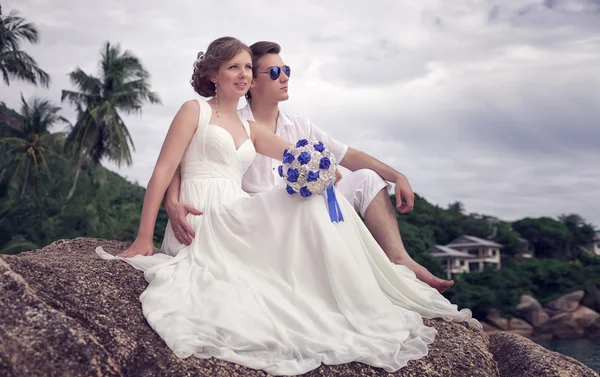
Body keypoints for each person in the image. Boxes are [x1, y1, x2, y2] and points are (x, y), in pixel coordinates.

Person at [96, 36, 475, 376]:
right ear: (213, 73)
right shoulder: (193, 110)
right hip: (204, 214)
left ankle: (378, 275)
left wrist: (321, 169)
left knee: (313, 194)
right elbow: (165, 169)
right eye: (234, 67)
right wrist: (148, 232)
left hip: (238, 211)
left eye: (247, 67)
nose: (243, 74)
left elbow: (300, 154)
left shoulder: (250, 129)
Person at [163, 41, 454, 293]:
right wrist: (173, 201)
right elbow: (184, 160)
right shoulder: (229, 120)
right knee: (312, 197)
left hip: (297, 209)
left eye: (287, 70)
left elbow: (349, 156)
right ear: (251, 83)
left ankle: (398, 257)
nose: (285, 77)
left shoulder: (300, 125)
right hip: (253, 215)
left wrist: (397, 176)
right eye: (274, 72)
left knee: (365, 178)